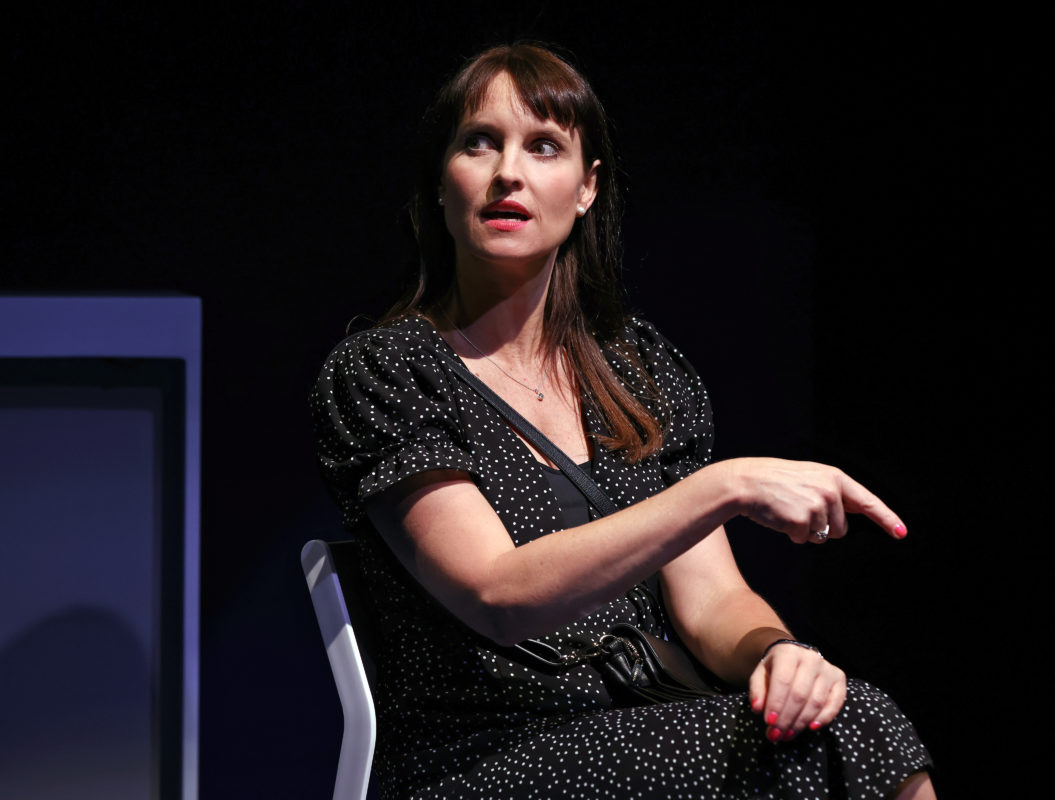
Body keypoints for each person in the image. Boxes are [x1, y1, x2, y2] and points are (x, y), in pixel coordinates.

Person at [311, 43, 935, 799]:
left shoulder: (635, 371)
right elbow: (497, 595)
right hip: (484, 755)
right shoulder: (387, 371)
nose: (510, 171)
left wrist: (777, 654)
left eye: (545, 146)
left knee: (845, 720)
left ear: (585, 189)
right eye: (480, 142)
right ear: (442, 185)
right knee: (854, 739)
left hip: (644, 721)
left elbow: (711, 603)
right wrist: (722, 486)